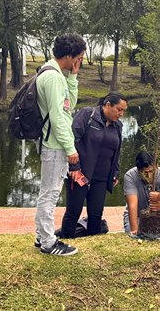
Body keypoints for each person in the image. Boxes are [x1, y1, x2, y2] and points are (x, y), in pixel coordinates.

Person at [34, 34, 86, 257]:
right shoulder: (53, 78)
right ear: (69, 56)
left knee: (47, 192)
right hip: (55, 145)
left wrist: (73, 77)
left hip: (53, 143)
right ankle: (48, 243)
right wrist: (70, 148)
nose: (79, 62)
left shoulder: (54, 73)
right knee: (50, 194)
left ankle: (41, 236)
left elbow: (69, 106)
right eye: (78, 58)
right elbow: (58, 118)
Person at [60, 92, 128, 239]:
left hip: (102, 177)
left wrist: (115, 171)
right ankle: (66, 239)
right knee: (73, 211)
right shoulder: (87, 115)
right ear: (107, 105)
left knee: (96, 213)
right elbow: (72, 139)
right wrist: (74, 167)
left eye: (123, 110)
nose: (121, 114)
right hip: (80, 173)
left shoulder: (117, 126)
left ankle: (94, 242)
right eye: (119, 109)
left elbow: (116, 150)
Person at [123, 151, 160, 236]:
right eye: (145, 173)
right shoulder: (130, 176)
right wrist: (134, 230)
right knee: (132, 231)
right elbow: (132, 205)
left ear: (156, 166)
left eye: (151, 171)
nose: (149, 176)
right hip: (138, 214)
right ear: (138, 170)